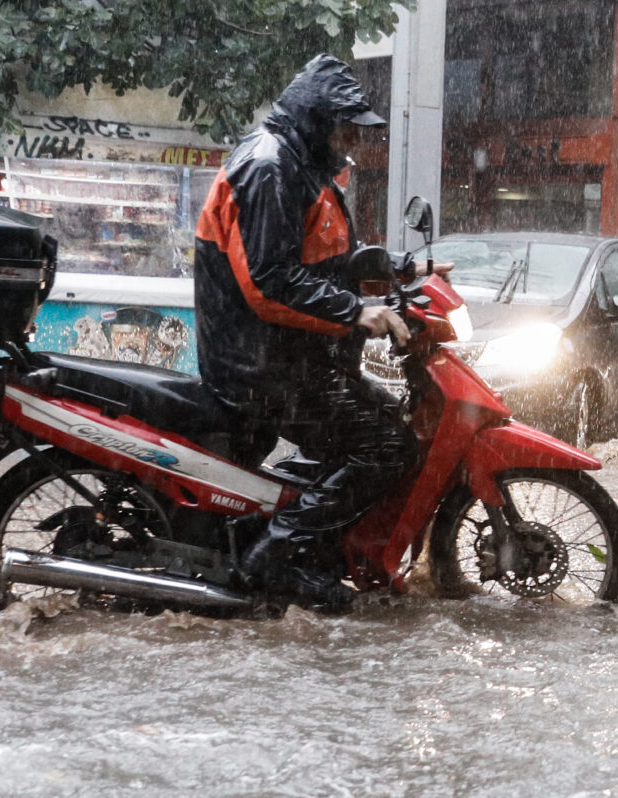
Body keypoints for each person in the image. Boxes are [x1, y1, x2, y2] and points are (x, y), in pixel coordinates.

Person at [193, 54, 418, 609]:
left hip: (294, 358)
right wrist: (353, 312)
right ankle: (278, 556)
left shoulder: (302, 164)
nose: (351, 142)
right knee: (387, 447)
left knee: (386, 424)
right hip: (262, 367)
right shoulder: (268, 166)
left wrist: (401, 268)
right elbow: (269, 283)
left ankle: (316, 547)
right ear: (317, 118)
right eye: (344, 127)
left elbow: (321, 260)